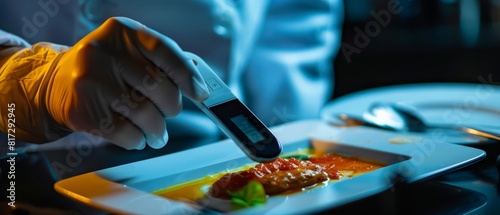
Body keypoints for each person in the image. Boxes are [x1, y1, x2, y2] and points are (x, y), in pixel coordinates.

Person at [0, 0, 344, 150]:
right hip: (30, 161)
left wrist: (283, 137)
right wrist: (24, 80)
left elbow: (293, 19)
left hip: (214, 152)